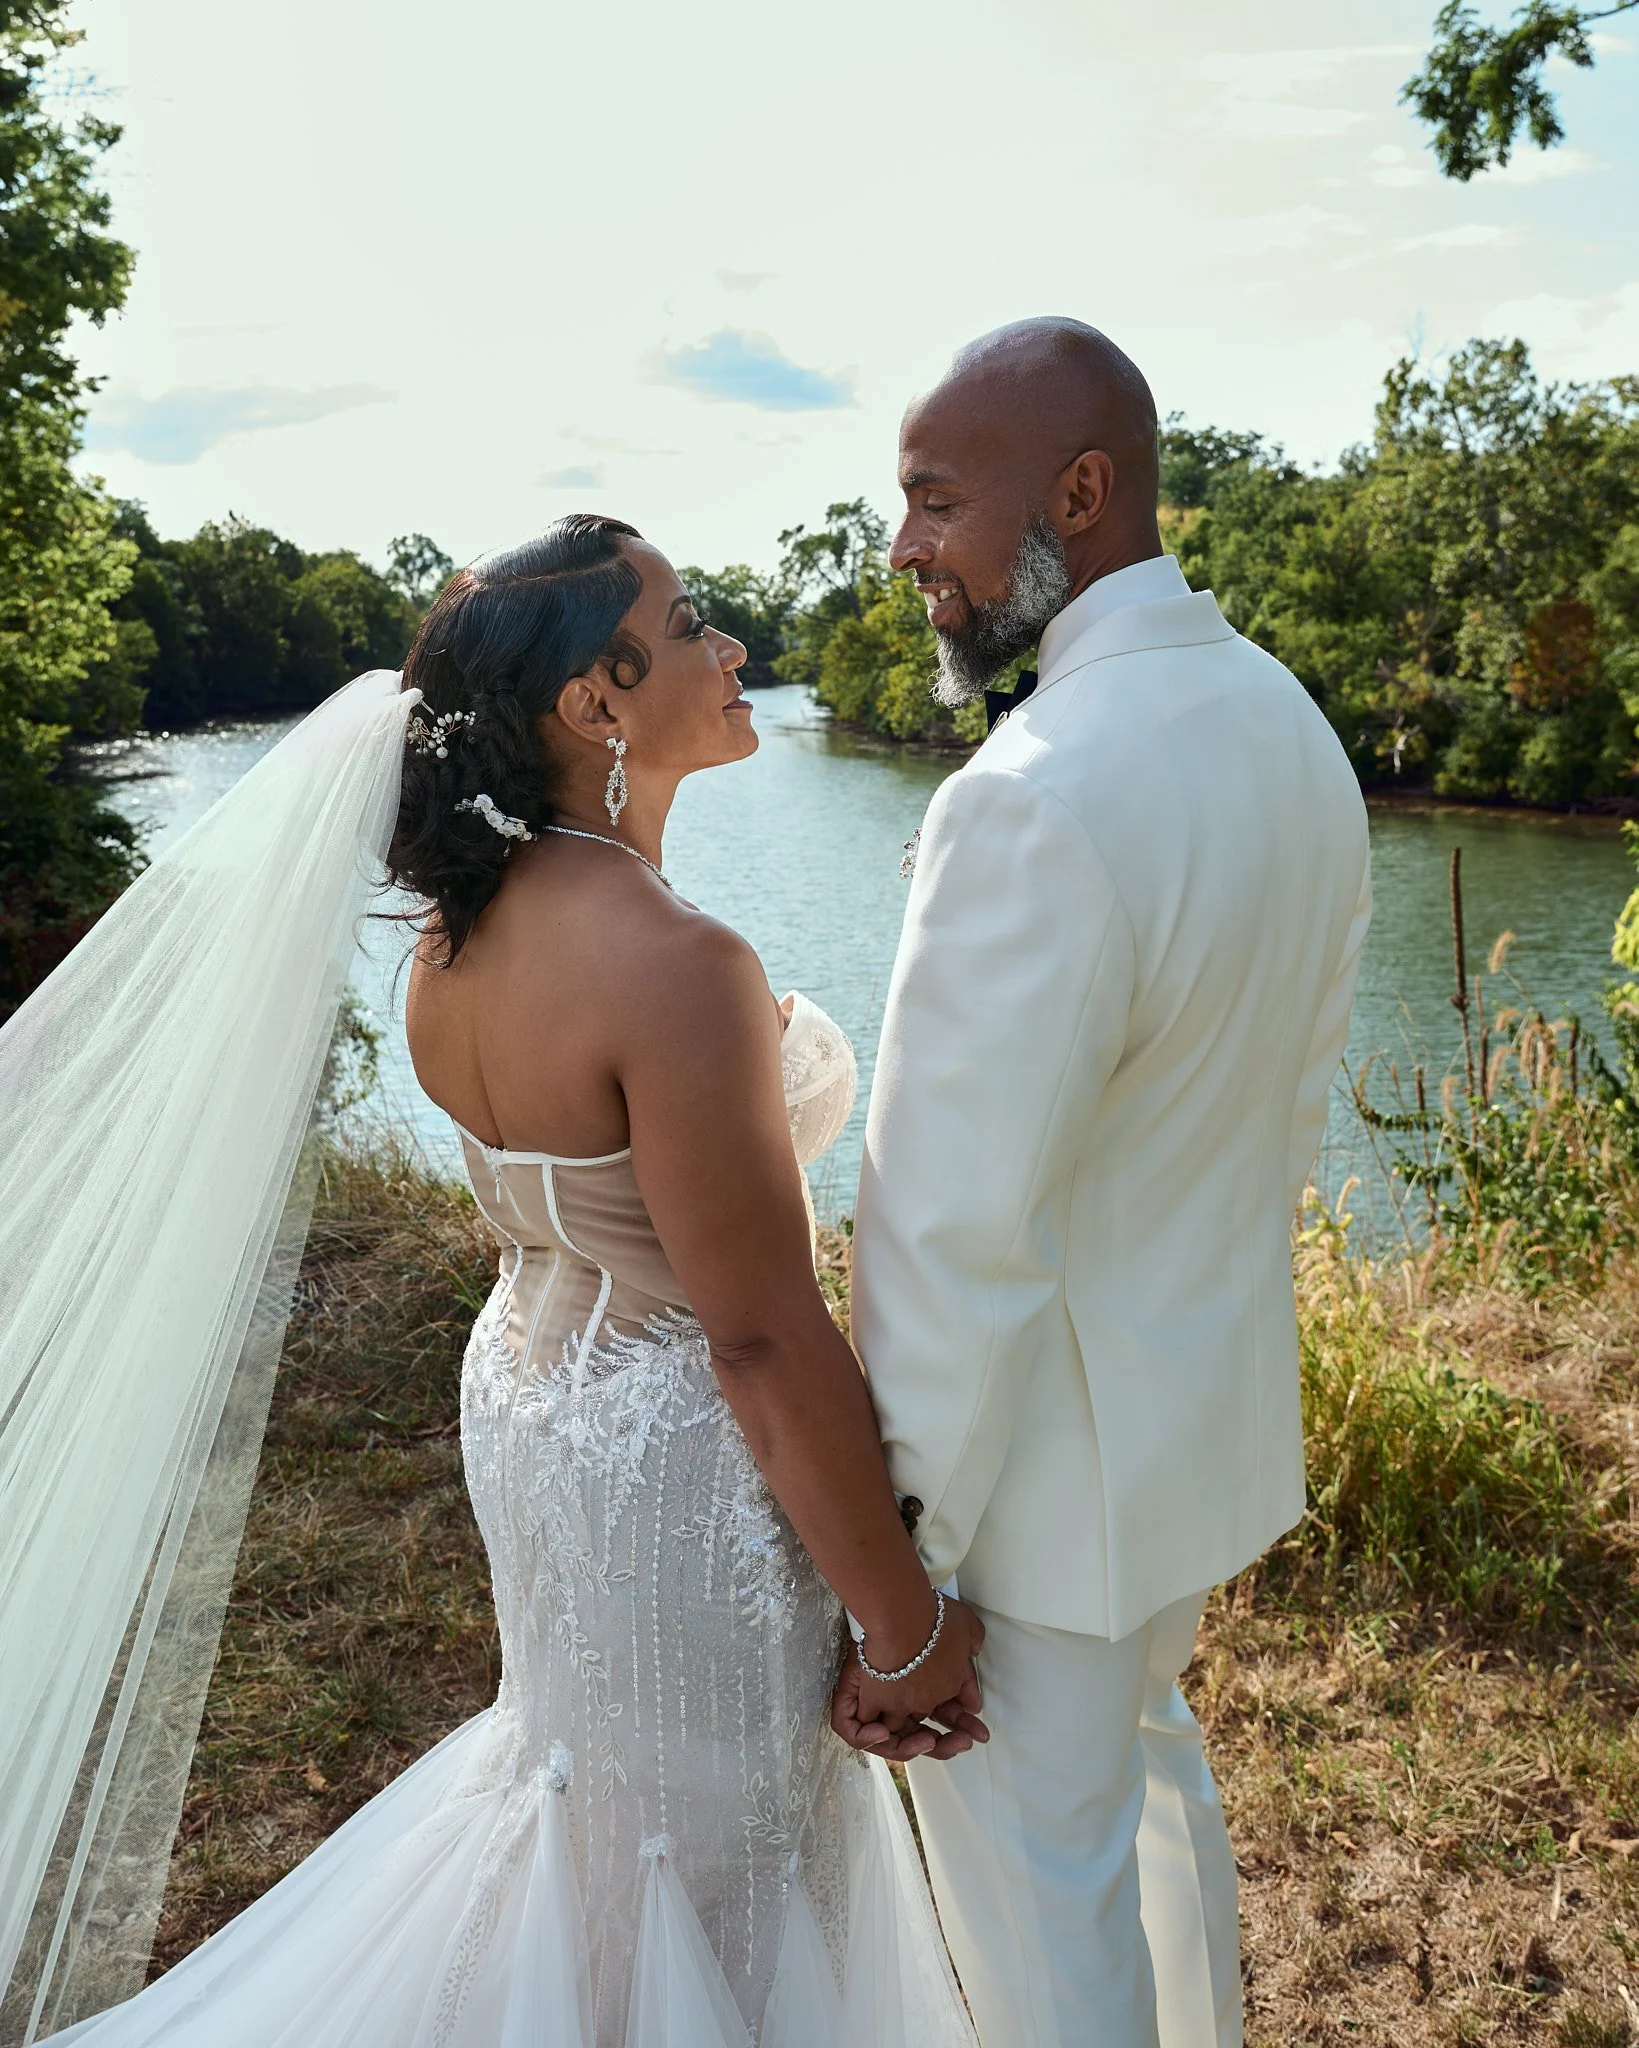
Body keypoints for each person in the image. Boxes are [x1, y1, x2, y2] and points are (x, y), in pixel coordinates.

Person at [1, 516, 985, 2048]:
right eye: (690, 625)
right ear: (596, 701)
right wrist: (904, 1625)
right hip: (677, 1460)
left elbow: (558, 1217)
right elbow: (760, 1339)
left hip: (534, 1415)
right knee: (715, 1866)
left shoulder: (451, 950)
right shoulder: (673, 963)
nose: (733, 655)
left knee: (593, 1812)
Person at [842, 319, 1373, 2048]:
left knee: (1036, 1919)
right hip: (1188, 1438)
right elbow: (1285, 1112)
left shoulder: (1030, 792)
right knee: (1147, 1810)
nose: (905, 547)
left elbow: (948, 1237)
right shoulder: (1283, 718)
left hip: (1030, 1506)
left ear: (1080, 490)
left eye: (935, 500)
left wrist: (895, 1576)